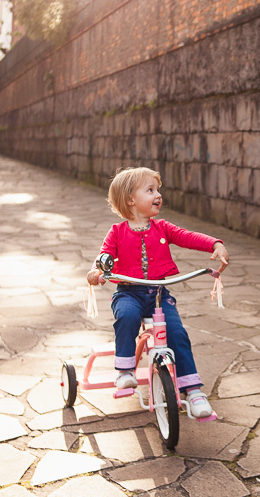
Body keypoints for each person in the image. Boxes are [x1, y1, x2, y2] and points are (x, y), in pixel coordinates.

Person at [87, 167, 230, 418]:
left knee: (177, 333)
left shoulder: (162, 228)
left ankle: (194, 391)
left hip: (158, 296)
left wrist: (214, 243)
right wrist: (97, 271)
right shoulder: (117, 232)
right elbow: (105, 256)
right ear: (131, 200)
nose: (158, 195)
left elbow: (187, 237)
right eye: (150, 190)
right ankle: (125, 372)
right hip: (128, 292)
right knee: (127, 317)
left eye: (158, 190)